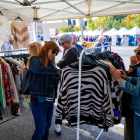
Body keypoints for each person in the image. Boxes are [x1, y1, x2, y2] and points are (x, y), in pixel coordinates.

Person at [29, 41, 61, 140]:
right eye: (53, 51)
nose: (54, 54)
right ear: (45, 49)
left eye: (57, 53)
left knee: (47, 128)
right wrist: (57, 71)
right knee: (40, 130)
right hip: (40, 101)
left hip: (49, 101)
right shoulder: (35, 60)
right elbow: (38, 69)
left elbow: (56, 77)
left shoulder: (50, 64)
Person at [122, 43, 140, 140]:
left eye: (139, 52)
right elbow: (136, 80)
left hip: (135, 108)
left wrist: (120, 81)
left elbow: (136, 90)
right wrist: (127, 78)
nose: (136, 54)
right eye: (135, 51)